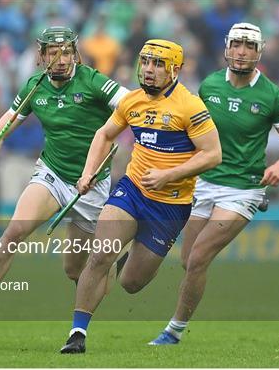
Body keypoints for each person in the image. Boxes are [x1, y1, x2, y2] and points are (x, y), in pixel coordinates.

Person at [0, 27, 129, 336]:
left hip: (91, 183)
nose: (61, 60)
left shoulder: (93, 81)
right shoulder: (36, 86)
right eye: (53, 53)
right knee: (14, 230)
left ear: (75, 54)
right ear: (41, 56)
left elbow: (131, 103)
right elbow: (5, 122)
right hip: (53, 173)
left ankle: (113, 265)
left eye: (67, 52)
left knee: (75, 269)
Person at [59, 39, 222, 354]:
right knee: (99, 254)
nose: (149, 70)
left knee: (132, 284)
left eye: (158, 64)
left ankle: (127, 261)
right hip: (132, 191)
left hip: (171, 206)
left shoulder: (190, 106)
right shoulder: (132, 101)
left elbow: (213, 154)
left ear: (175, 70)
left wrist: (168, 175)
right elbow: (104, 134)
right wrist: (88, 172)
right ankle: (77, 334)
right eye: (145, 62)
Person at [149, 22, 279, 345]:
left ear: (258, 52)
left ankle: (173, 331)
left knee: (198, 258)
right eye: (237, 44)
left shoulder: (271, 94)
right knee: (187, 258)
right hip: (204, 183)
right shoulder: (209, 85)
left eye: (249, 46)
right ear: (227, 48)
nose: (242, 51)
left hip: (243, 188)